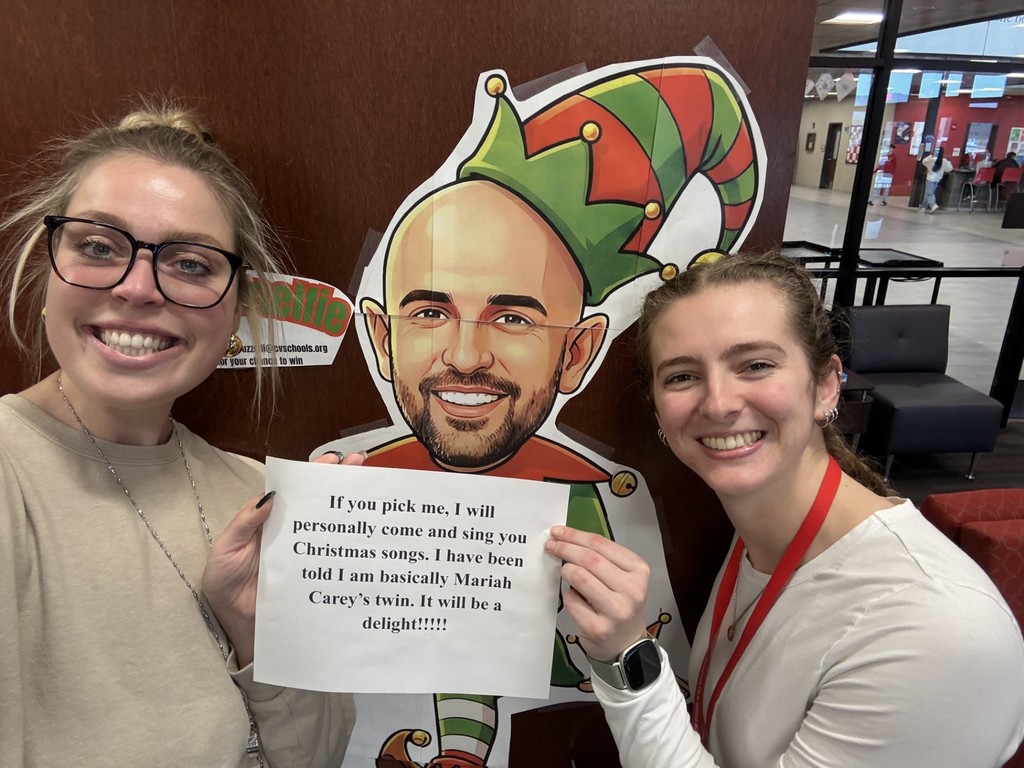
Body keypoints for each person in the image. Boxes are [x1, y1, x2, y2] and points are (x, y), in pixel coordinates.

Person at [337, 63, 765, 768]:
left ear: (578, 352)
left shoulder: (599, 504)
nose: (466, 356)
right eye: (430, 312)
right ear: (381, 337)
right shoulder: (343, 500)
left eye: (514, 317)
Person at [546, 251, 1024, 767]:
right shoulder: (757, 537)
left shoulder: (934, 629)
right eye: (682, 376)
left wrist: (627, 656)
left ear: (826, 385)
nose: (719, 403)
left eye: (756, 365)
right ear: (658, 410)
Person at [0, 104, 356, 767]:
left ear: (237, 308)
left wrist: (255, 632)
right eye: (98, 247)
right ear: (48, 267)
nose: (138, 289)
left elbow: (315, 757)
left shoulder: (257, 499)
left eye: (190, 264)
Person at [920, 147, 952, 212]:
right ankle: (924, 206)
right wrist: (948, 161)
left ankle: (933, 205)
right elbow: (949, 169)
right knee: (929, 192)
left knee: (929, 193)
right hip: (937, 179)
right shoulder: (944, 160)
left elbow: (924, 161)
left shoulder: (932, 159)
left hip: (930, 178)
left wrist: (930, 156)